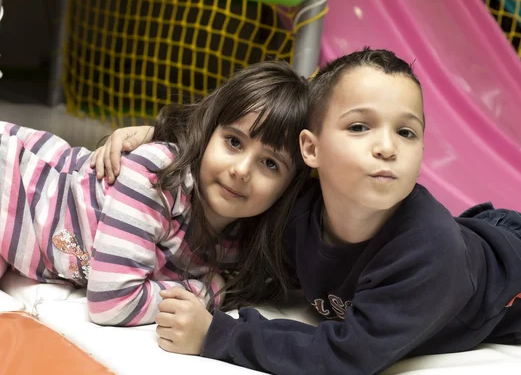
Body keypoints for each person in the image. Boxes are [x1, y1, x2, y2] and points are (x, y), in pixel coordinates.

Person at [94, 48, 521, 374]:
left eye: (406, 132)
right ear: (310, 152)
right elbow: (240, 150)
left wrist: (218, 335)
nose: (387, 148)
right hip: (480, 234)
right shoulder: (295, 205)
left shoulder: (427, 254)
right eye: (360, 127)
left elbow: (345, 354)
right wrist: (160, 137)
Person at [0, 60, 311, 327]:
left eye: (270, 163)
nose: (242, 169)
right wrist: (203, 292)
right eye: (233, 142)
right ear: (208, 131)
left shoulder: (241, 241)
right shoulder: (157, 175)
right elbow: (112, 303)